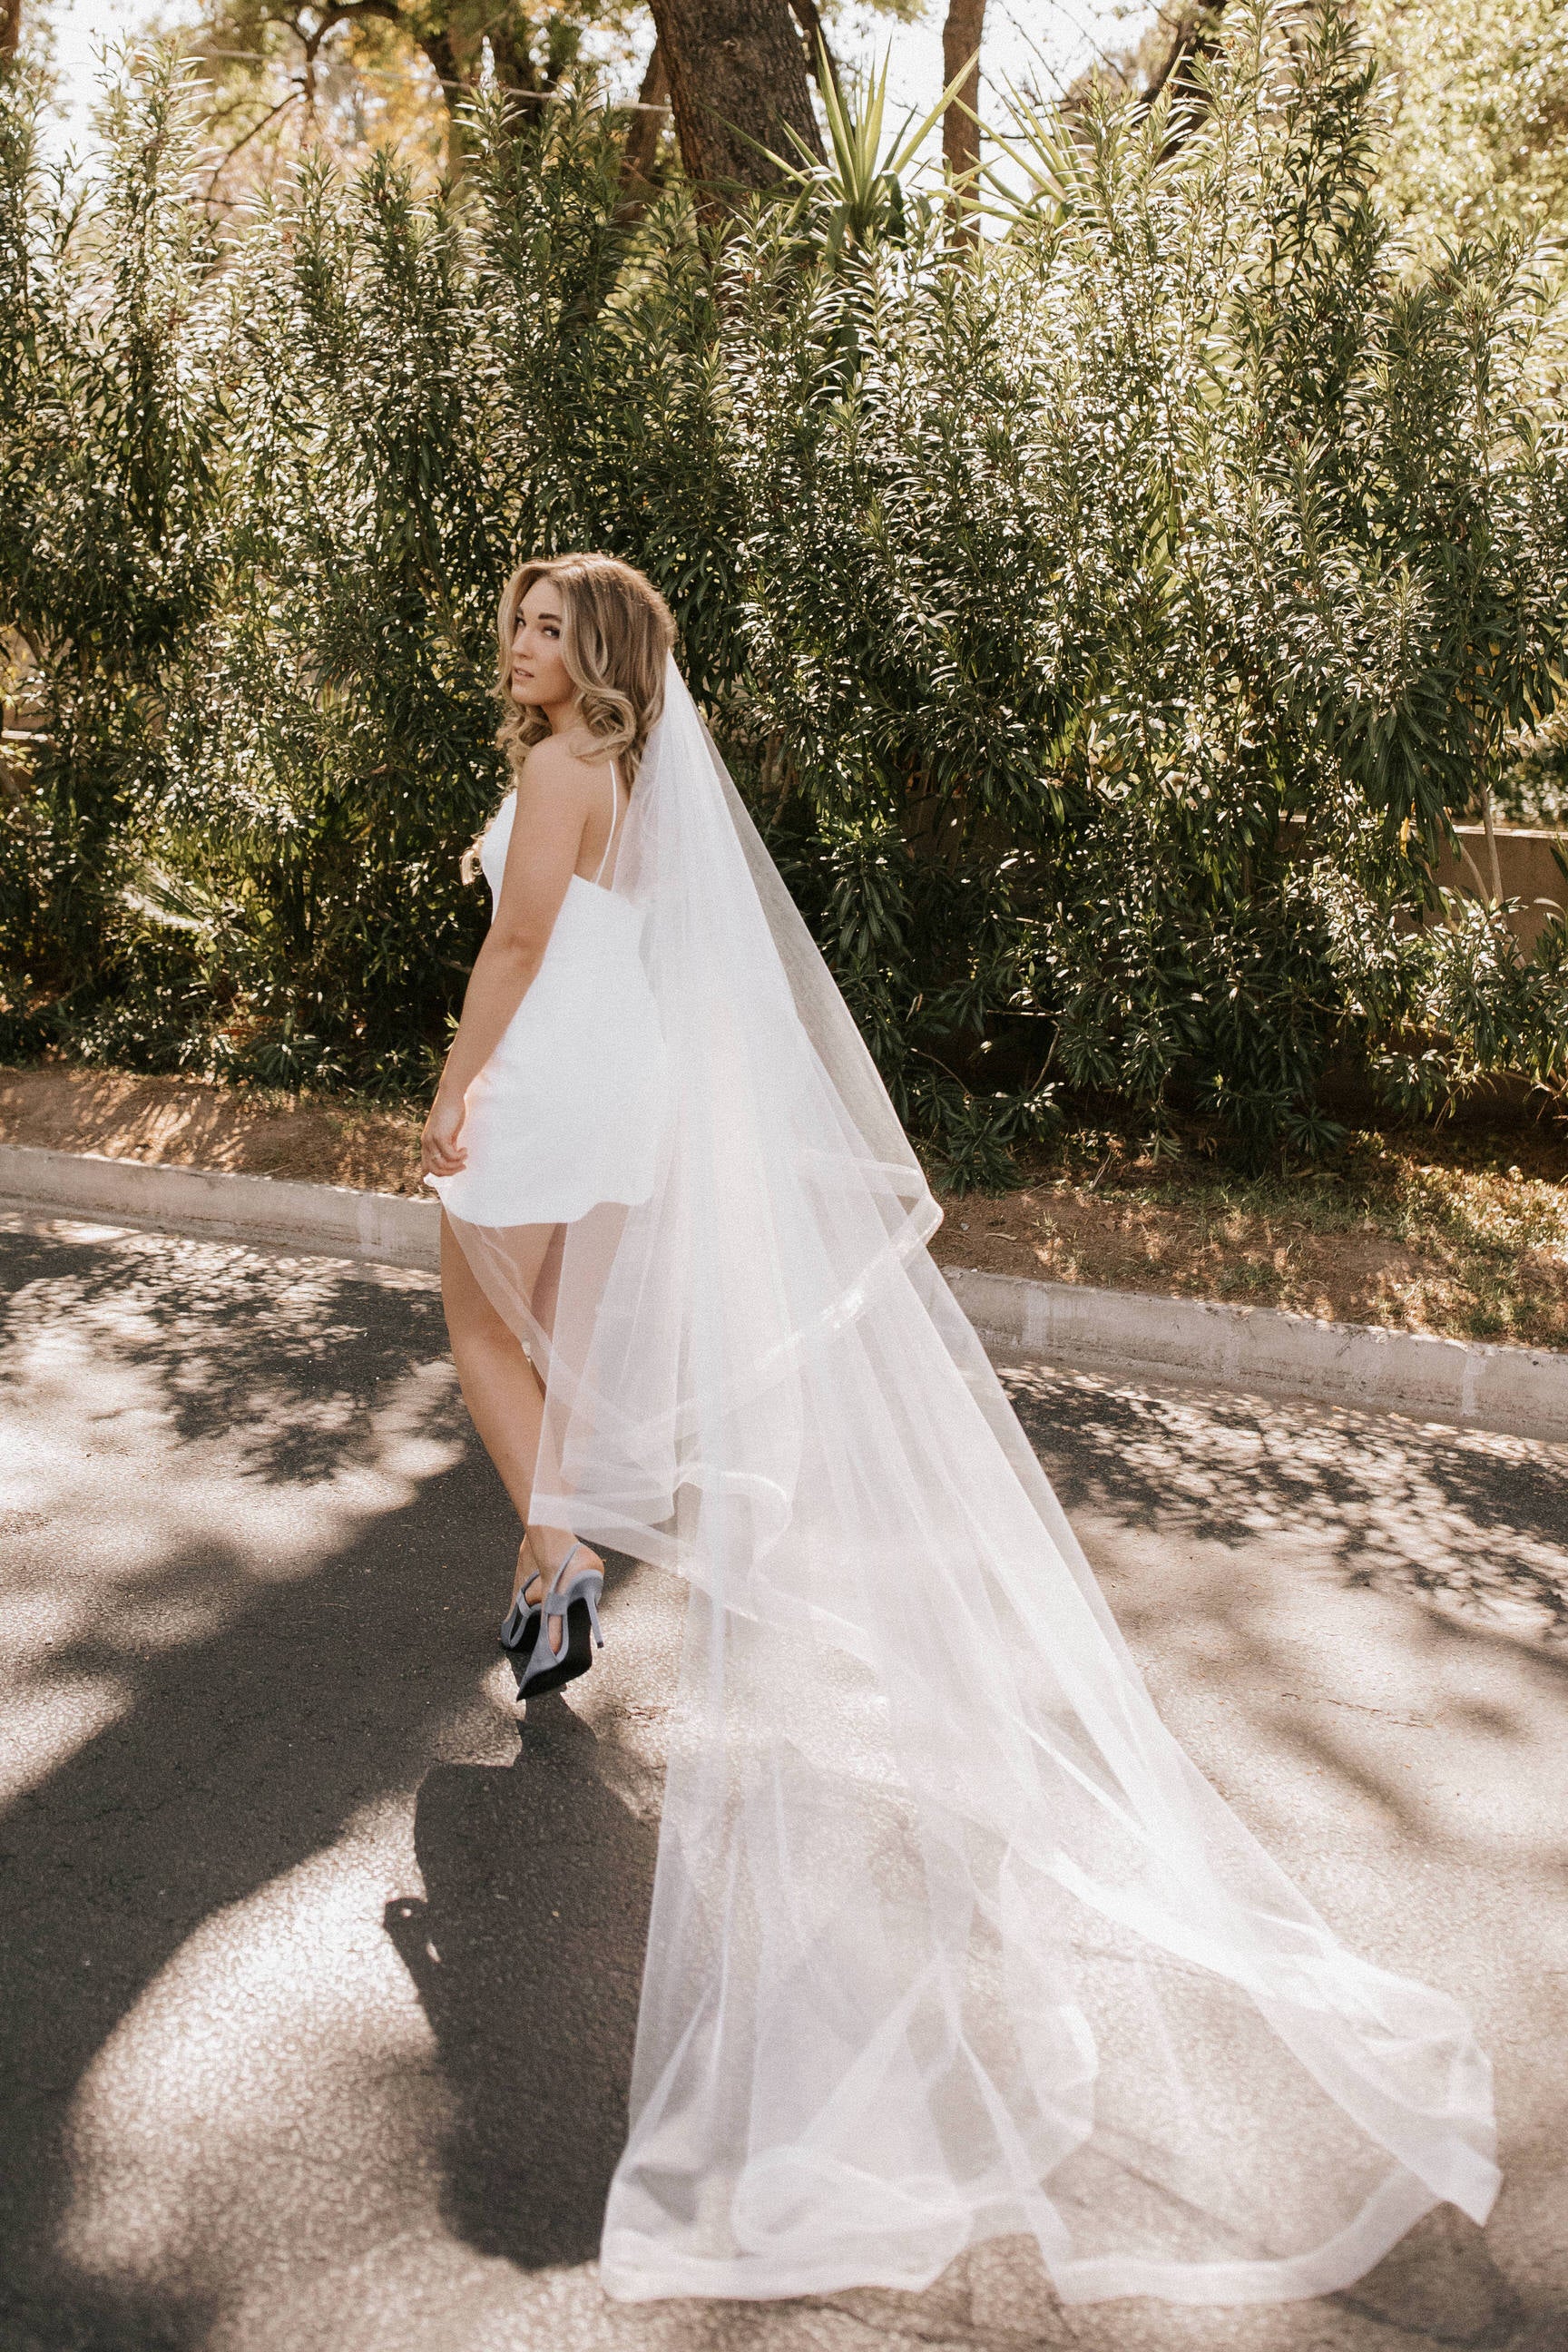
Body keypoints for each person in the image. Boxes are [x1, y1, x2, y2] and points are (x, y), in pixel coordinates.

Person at [421, 551, 1498, 2311]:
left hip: (547, 1064)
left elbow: (525, 942)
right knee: (542, 1330)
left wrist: (462, 1083)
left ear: (598, 652)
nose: (523, 643)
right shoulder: (625, 775)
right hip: (619, 1075)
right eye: (521, 622)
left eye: (551, 625)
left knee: (476, 1311)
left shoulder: (557, 772)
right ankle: (558, 1551)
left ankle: (556, 1551)